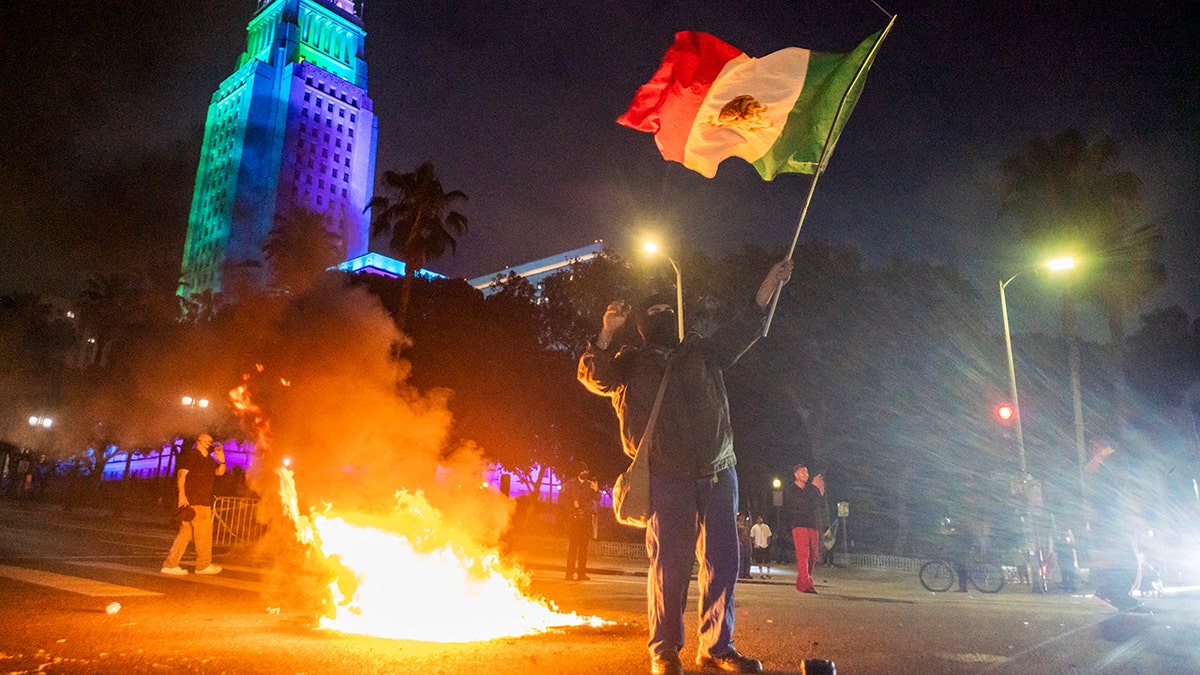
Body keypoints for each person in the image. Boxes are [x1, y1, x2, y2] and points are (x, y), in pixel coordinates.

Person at [578, 259, 792, 675]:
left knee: (723, 563)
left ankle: (717, 646)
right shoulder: (630, 360)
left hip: (718, 469)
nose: (662, 319)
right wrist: (606, 330)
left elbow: (746, 324)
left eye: (667, 313)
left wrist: (769, 282)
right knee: (669, 567)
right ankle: (665, 649)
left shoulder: (703, 350)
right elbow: (593, 376)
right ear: (641, 325)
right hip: (665, 474)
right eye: (653, 315)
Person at [161, 433, 226, 575]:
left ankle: (170, 564)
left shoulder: (208, 460)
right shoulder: (192, 455)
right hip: (196, 500)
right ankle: (203, 565)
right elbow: (181, 475)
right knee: (204, 532)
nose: (211, 444)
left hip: (201, 499)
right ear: (200, 442)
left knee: (185, 533)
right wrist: (181, 495)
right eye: (209, 442)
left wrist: (222, 461)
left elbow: (219, 472)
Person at [783, 462, 824, 594]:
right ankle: (806, 584)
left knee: (813, 555)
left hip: (813, 525)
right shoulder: (791, 490)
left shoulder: (811, 489)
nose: (805, 475)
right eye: (802, 472)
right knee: (803, 554)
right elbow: (800, 504)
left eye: (806, 472)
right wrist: (813, 488)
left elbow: (820, 506)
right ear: (796, 474)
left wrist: (821, 492)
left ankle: (803, 582)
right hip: (799, 525)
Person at [563, 464, 599, 581]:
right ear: (578, 472)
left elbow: (598, 498)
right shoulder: (571, 484)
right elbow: (563, 499)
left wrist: (596, 489)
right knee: (573, 548)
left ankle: (581, 574)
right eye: (583, 470)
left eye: (586, 470)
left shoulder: (590, 484)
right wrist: (573, 507)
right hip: (574, 519)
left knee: (583, 548)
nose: (585, 472)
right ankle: (569, 574)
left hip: (586, 519)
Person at [736, 512, 753, 580]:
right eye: (741, 516)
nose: (743, 518)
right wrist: (739, 542)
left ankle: (747, 573)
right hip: (741, 544)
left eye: (744, 516)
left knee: (747, 559)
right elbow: (736, 535)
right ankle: (741, 573)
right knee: (742, 559)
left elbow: (749, 535)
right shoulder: (737, 524)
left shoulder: (747, 525)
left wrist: (750, 543)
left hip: (747, 544)